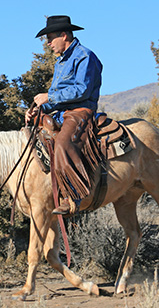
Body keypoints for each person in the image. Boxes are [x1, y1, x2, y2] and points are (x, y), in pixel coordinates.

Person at [26, 15, 103, 215]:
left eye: (50, 38)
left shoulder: (85, 56)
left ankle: (73, 195)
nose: (48, 43)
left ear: (64, 35)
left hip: (80, 111)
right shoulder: (60, 63)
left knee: (62, 144)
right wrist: (39, 109)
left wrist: (48, 96)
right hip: (61, 112)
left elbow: (83, 90)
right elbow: (55, 99)